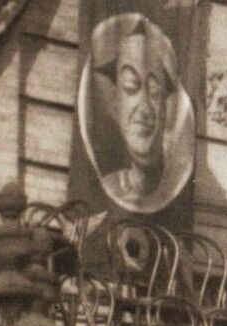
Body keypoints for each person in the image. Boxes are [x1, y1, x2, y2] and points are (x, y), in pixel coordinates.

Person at [79, 12, 195, 215]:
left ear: (167, 110)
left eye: (154, 92)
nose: (144, 107)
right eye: (131, 87)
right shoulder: (113, 184)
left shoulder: (175, 178)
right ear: (116, 105)